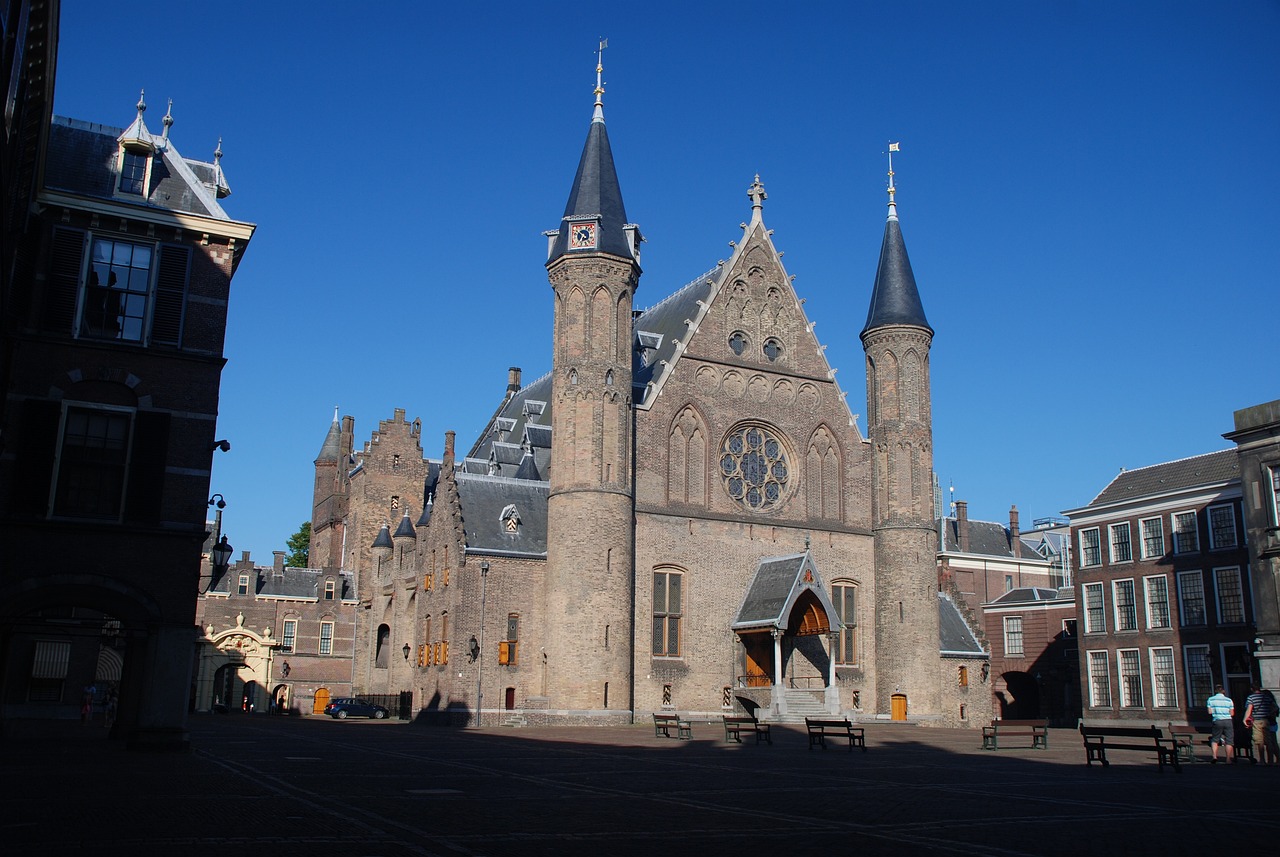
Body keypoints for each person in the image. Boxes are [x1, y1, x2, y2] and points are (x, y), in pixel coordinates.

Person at [1243, 683, 1279, 765]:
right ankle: (1270, 760)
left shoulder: (1251, 698)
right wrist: (1269, 713)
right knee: (1269, 741)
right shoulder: (1266, 697)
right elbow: (1275, 707)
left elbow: (1249, 709)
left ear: (1252, 689)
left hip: (1257, 720)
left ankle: (1262, 760)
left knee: (1259, 741)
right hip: (1266, 720)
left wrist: (1245, 719)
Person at [1207, 685, 1235, 763]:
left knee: (1215, 739)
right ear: (1223, 691)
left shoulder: (1210, 699)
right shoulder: (1229, 700)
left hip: (1217, 720)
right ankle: (1228, 759)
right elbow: (1232, 713)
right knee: (1229, 740)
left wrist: (1216, 711)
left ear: (1215, 691)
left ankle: (1214, 756)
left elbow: (1209, 712)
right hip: (1228, 720)